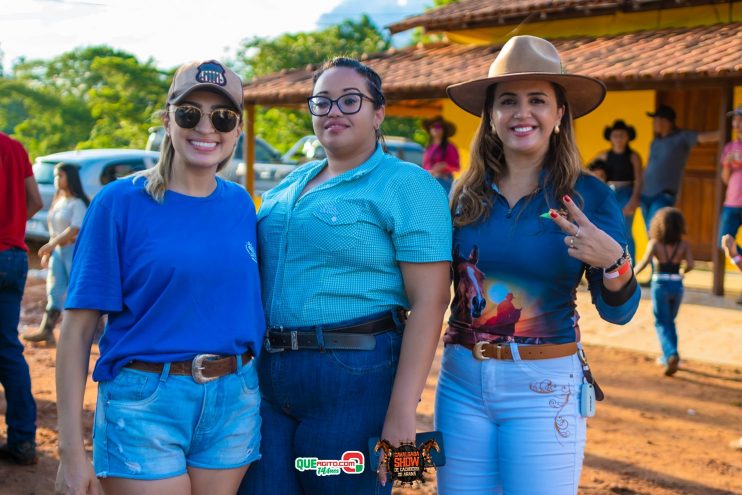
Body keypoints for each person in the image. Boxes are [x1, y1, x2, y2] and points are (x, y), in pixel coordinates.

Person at [435, 35, 641, 494]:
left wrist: (615, 263)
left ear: (559, 113)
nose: (521, 112)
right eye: (507, 101)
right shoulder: (459, 196)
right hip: (460, 382)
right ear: (490, 115)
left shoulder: (588, 197)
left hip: (543, 388)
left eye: (537, 100)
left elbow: (619, 310)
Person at [239, 57, 452, 495]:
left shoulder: (408, 185)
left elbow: (430, 301)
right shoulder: (288, 185)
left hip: (352, 376)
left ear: (378, 114)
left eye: (350, 100)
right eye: (322, 102)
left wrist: (401, 410)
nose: (334, 111)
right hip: (268, 377)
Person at [55, 60, 265, 495]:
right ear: (168, 119)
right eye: (190, 113)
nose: (206, 128)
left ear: (237, 129)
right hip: (145, 401)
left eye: (222, 117)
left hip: (233, 400)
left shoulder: (242, 205)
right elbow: (77, 331)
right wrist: (71, 452)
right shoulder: (118, 204)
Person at [0, 132, 42, 465]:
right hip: (13, 255)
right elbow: (35, 200)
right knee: (8, 349)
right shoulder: (14, 147)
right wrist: (12, 227)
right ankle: (23, 439)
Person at [23, 163, 89, 344]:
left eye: (60, 176)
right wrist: (50, 251)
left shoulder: (78, 203)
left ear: (71, 178)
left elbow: (75, 229)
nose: (56, 180)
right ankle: (47, 329)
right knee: (54, 290)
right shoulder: (59, 202)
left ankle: (89, 333)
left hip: (73, 251)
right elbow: (55, 230)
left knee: (78, 290)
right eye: (55, 176)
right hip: (59, 252)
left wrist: (50, 245)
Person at [634, 207, 694, 377]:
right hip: (677, 285)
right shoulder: (683, 245)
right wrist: (682, 272)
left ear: (658, 225)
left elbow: (644, 262)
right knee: (670, 321)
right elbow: (691, 265)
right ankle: (670, 354)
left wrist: (630, 275)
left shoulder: (655, 243)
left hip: (660, 284)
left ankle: (670, 354)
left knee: (661, 322)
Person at [640, 104, 719, 228]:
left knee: (657, 229)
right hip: (645, 193)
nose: (654, 123)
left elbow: (705, 137)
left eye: (656, 120)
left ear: (665, 121)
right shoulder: (656, 141)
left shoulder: (682, 137)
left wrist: (732, 129)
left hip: (664, 194)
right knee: (650, 231)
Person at [590, 120, 643, 261]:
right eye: (615, 135)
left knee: (625, 231)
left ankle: (631, 266)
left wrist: (634, 200)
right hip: (609, 194)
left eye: (622, 135)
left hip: (627, 193)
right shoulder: (603, 155)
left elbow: (639, 180)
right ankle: (612, 263)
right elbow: (589, 170)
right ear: (610, 137)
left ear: (628, 137)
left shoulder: (633, 156)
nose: (618, 138)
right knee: (608, 230)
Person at [719, 105, 742, 304]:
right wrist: (728, 163)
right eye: (735, 120)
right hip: (732, 201)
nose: (737, 124)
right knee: (724, 240)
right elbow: (725, 178)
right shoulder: (729, 147)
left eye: (740, 120)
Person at [422, 115, 460, 194]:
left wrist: (445, 166)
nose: (435, 128)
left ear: (444, 130)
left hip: (444, 182)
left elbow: (456, 167)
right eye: (432, 126)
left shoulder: (450, 147)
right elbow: (425, 166)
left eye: (438, 126)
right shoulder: (429, 147)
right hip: (428, 181)